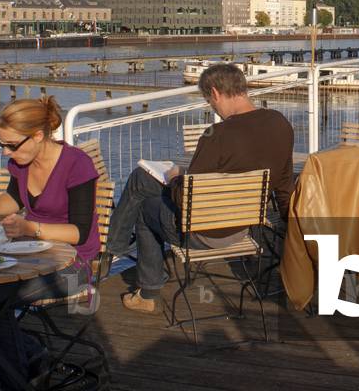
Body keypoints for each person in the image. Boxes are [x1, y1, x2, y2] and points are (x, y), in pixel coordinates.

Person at [0, 96, 100, 390]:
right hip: (31, 258)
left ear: (38, 135)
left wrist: (30, 227)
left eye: (12, 145)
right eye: (1, 145)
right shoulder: (21, 164)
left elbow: (79, 232)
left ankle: (15, 378)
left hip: (75, 266)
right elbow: (12, 200)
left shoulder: (77, 164)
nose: (6, 153)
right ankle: (27, 356)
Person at [107, 63, 294, 314]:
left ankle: (143, 287)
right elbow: (283, 183)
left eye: (209, 101)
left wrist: (175, 178)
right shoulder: (279, 122)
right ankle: (116, 246)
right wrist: (292, 227)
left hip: (204, 234)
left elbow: (186, 199)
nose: (212, 107)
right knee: (141, 178)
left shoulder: (216, 134)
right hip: (242, 227)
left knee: (144, 208)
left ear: (215, 93)